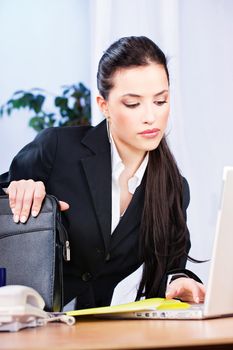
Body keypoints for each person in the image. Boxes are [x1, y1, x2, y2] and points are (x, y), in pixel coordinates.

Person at [0, 36, 205, 309]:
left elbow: (172, 268)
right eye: (133, 104)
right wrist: (14, 191)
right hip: (34, 325)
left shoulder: (173, 188)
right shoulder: (57, 147)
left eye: (160, 101)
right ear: (104, 105)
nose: (150, 117)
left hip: (103, 330)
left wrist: (182, 281)